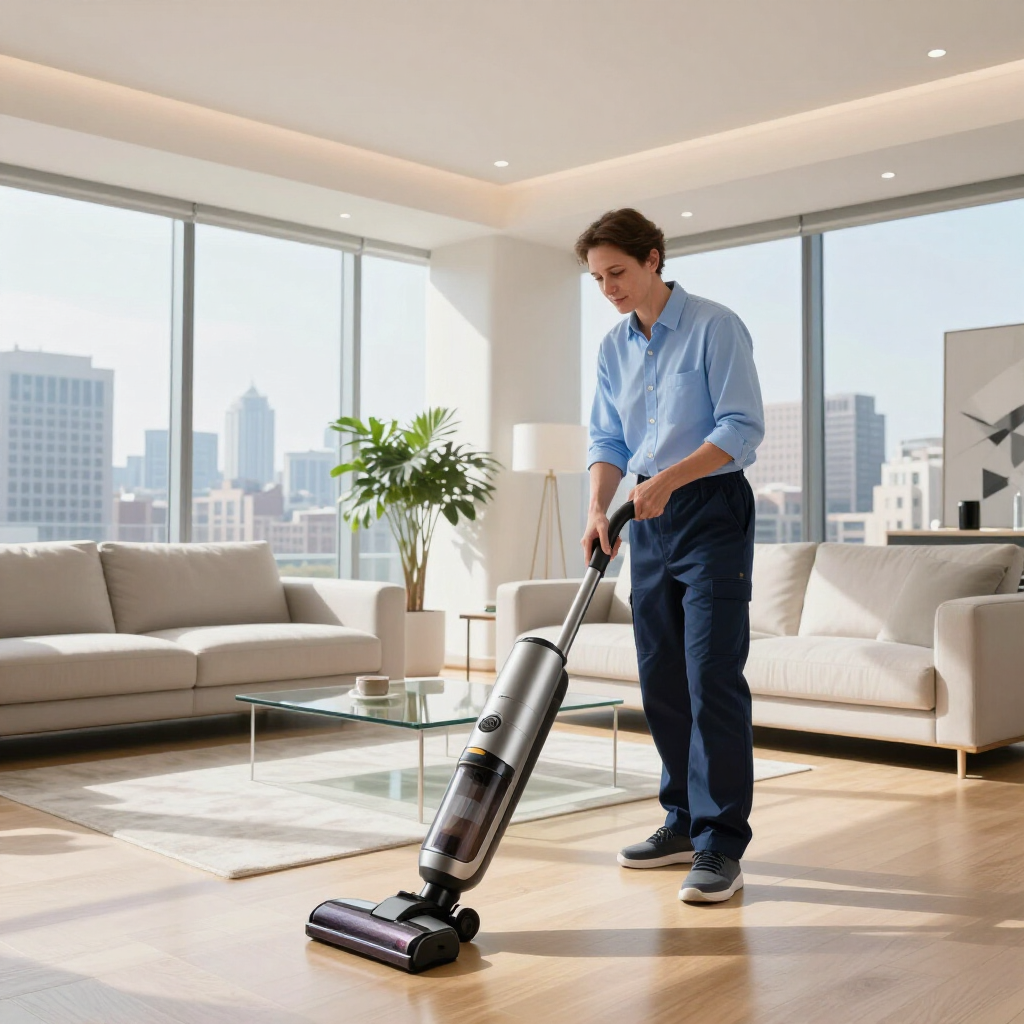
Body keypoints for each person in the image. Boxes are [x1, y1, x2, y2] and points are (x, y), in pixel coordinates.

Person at [576, 208, 764, 903]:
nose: (610, 289)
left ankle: (720, 844)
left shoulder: (716, 326)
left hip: (709, 507)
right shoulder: (612, 347)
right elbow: (607, 439)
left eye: (618, 273)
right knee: (659, 677)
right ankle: (681, 820)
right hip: (644, 518)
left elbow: (741, 428)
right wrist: (601, 506)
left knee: (711, 674)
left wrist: (668, 482)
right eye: (598, 279)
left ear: (653, 258)